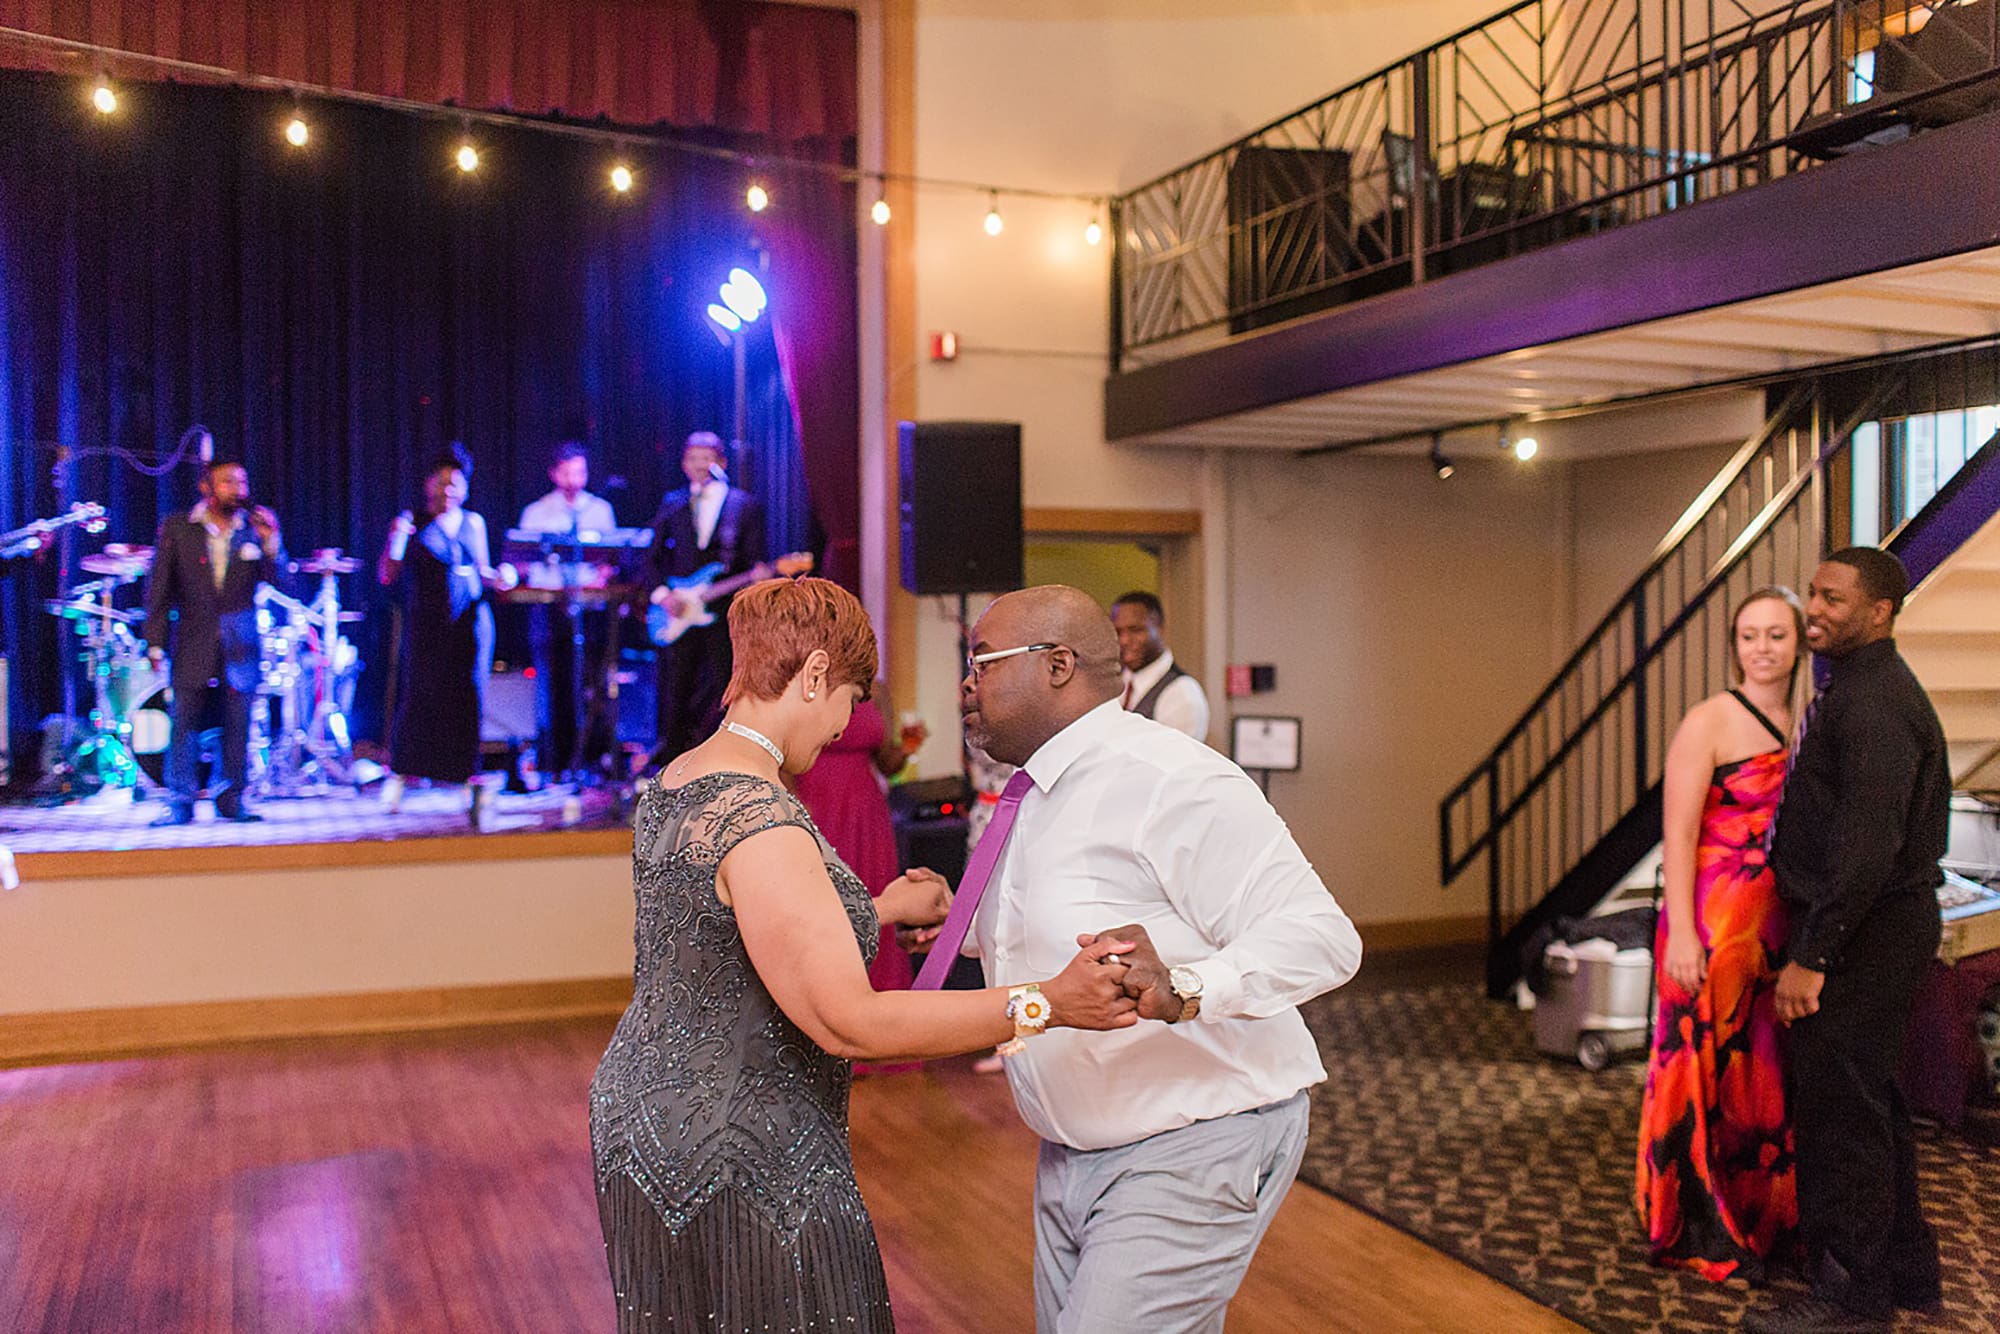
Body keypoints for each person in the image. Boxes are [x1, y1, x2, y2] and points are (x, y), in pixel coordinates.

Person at [588, 577, 1141, 1333]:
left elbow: (728, 931)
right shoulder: (760, 815)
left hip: (644, 1119)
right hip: (743, 1143)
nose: (847, 722)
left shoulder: (681, 780)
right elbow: (851, 1023)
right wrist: (1047, 1001)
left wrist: (875, 909)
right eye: (850, 697)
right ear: (814, 675)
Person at [948, 584, 1363, 1334]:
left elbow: (1322, 935)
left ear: (1057, 665)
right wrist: (950, 923)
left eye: (983, 662)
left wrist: (1186, 985)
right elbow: (1049, 922)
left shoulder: (1172, 779)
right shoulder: (1032, 791)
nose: (966, 685)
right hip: (1072, 1147)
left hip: (1191, 1138)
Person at [1747, 548, 1949, 1334]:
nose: (1816, 609)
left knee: (1840, 1116)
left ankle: (1851, 1297)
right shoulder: (1859, 689)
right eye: (1813, 593)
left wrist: (1812, 956)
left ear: (1880, 611)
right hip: (1870, 928)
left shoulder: (1874, 704)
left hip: (1863, 934)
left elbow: (1866, 851)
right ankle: (1907, 1270)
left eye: (1834, 597)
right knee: (1871, 1103)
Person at [1636, 587, 1806, 1281]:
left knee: (1759, 1075)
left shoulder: (1806, 718)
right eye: (1749, 635)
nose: (1762, 648)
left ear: (1799, 643)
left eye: (1776, 635)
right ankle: (1700, 1221)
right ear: (1733, 646)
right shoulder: (1708, 720)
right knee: (1702, 1066)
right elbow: (1677, 834)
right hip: (1707, 922)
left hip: (1775, 927)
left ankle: (1765, 1214)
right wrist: (1681, 934)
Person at [142, 458, 287, 826]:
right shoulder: (179, 528)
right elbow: (160, 589)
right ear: (206, 486)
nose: (237, 490)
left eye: (242, 482)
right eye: (227, 482)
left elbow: (284, 584)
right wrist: (155, 642)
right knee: (184, 724)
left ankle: (231, 798)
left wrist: (271, 543)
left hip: (241, 645)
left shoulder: (253, 530)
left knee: (237, 724)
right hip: (194, 640)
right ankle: (180, 801)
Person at [377, 448, 516, 801]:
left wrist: (504, 576)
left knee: (468, 694)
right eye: (441, 483)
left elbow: (482, 570)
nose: (448, 490)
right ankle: (408, 770)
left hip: (470, 623)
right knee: (421, 693)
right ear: (428, 485)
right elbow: (388, 574)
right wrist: (396, 539)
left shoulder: (473, 523)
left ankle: (462, 772)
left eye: (455, 483)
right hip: (427, 623)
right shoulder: (413, 522)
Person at [792, 694, 928, 999]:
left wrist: (908, 748)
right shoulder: (807, 686)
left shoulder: (877, 692)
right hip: (818, 807)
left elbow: (887, 764)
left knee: (876, 893)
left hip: (867, 813)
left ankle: (881, 992)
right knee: (828, 897)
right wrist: (793, 807)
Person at [648, 431, 765, 764]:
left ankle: (728, 760)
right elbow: (650, 558)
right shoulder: (673, 504)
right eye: (694, 459)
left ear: (721, 463)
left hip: (724, 612)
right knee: (677, 690)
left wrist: (757, 577)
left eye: (707, 458)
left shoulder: (743, 506)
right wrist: (663, 595)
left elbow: (754, 561)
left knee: (726, 687)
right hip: (680, 613)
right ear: (684, 464)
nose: (700, 465)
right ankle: (672, 763)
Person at [517, 441, 619, 780]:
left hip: (590, 610)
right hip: (550, 610)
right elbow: (525, 563)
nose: (574, 479)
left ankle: (593, 758)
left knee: (592, 683)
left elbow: (611, 560)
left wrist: (602, 575)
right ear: (553, 474)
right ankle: (556, 762)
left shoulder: (600, 511)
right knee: (554, 684)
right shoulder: (537, 513)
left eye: (579, 472)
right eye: (567, 472)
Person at [1110, 590, 1209, 741]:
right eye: (1117, 632)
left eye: (1135, 630)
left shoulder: (1182, 693)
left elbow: (1174, 755)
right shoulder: (1113, 684)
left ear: (1160, 629)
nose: (1124, 640)